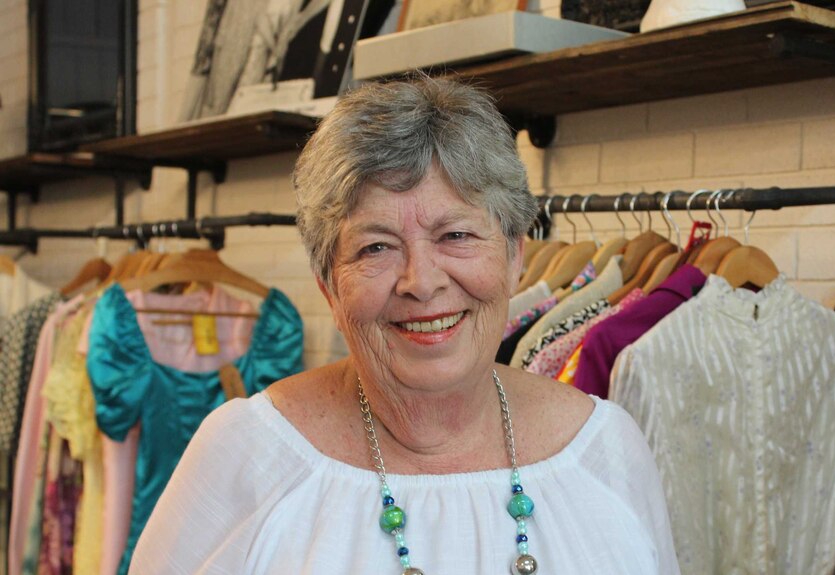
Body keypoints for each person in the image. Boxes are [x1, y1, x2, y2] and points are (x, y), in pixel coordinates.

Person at [129, 75, 680, 574]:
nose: (421, 280)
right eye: (376, 247)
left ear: (514, 256)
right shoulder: (247, 454)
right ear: (329, 285)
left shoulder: (605, 448)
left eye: (456, 236)